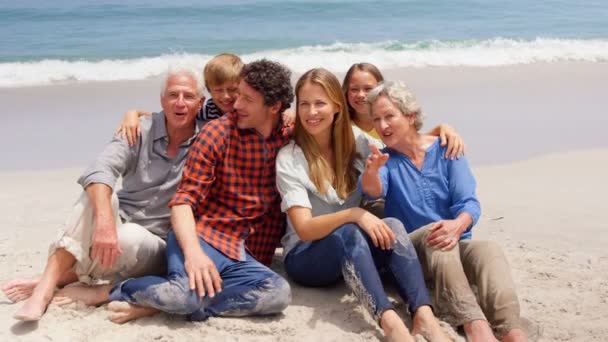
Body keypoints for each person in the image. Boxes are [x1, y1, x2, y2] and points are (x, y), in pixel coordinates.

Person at [2, 64, 206, 321]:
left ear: (200, 103)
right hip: (120, 227)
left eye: (188, 96)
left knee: (128, 237)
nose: (180, 102)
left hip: (158, 245)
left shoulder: (208, 138)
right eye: (173, 95)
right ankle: (45, 288)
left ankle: (67, 277)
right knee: (96, 192)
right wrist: (105, 222)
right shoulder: (139, 129)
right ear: (161, 100)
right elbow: (100, 167)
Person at [105, 59, 294, 324]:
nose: (235, 104)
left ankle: (165, 304)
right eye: (237, 94)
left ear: (274, 107)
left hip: (247, 255)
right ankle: (117, 290)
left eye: (247, 99)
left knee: (278, 294)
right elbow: (183, 202)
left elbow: (329, 119)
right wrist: (193, 254)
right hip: (205, 239)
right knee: (184, 296)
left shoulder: (289, 135)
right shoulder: (217, 133)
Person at [275, 68, 451, 341]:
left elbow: (402, 142)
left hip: (353, 253)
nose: (311, 112)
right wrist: (355, 214)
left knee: (391, 224)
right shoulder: (290, 157)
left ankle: (424, 315)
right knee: (349, 231)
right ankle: (390, 322)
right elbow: (306, 229)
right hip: (306, 258)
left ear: (336, 106)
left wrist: (441, 131)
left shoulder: (358, 142)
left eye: (320, 103)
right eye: (305, 104)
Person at [360, 81, 527, 342]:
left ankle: (512, 332)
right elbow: (373, 191)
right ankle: (476, 329)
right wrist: (371, 170)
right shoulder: (385, 160)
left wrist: (458, 225)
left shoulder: (447, 148)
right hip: (411, 254)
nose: (382, 126)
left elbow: (469, 203)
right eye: (376, 119)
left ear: (410, 116)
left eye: (389, 116)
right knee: (436, 234)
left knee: (489, 250)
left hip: (452, 243)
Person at [118, 53, 295, 146]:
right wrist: (133, 114)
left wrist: (287, 111)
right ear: (209, 91)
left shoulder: (247, 109)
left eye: (232, 90)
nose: (225, 97)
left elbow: (269, 109)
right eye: (218, 90)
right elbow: (171, 116)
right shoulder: (208, 109)